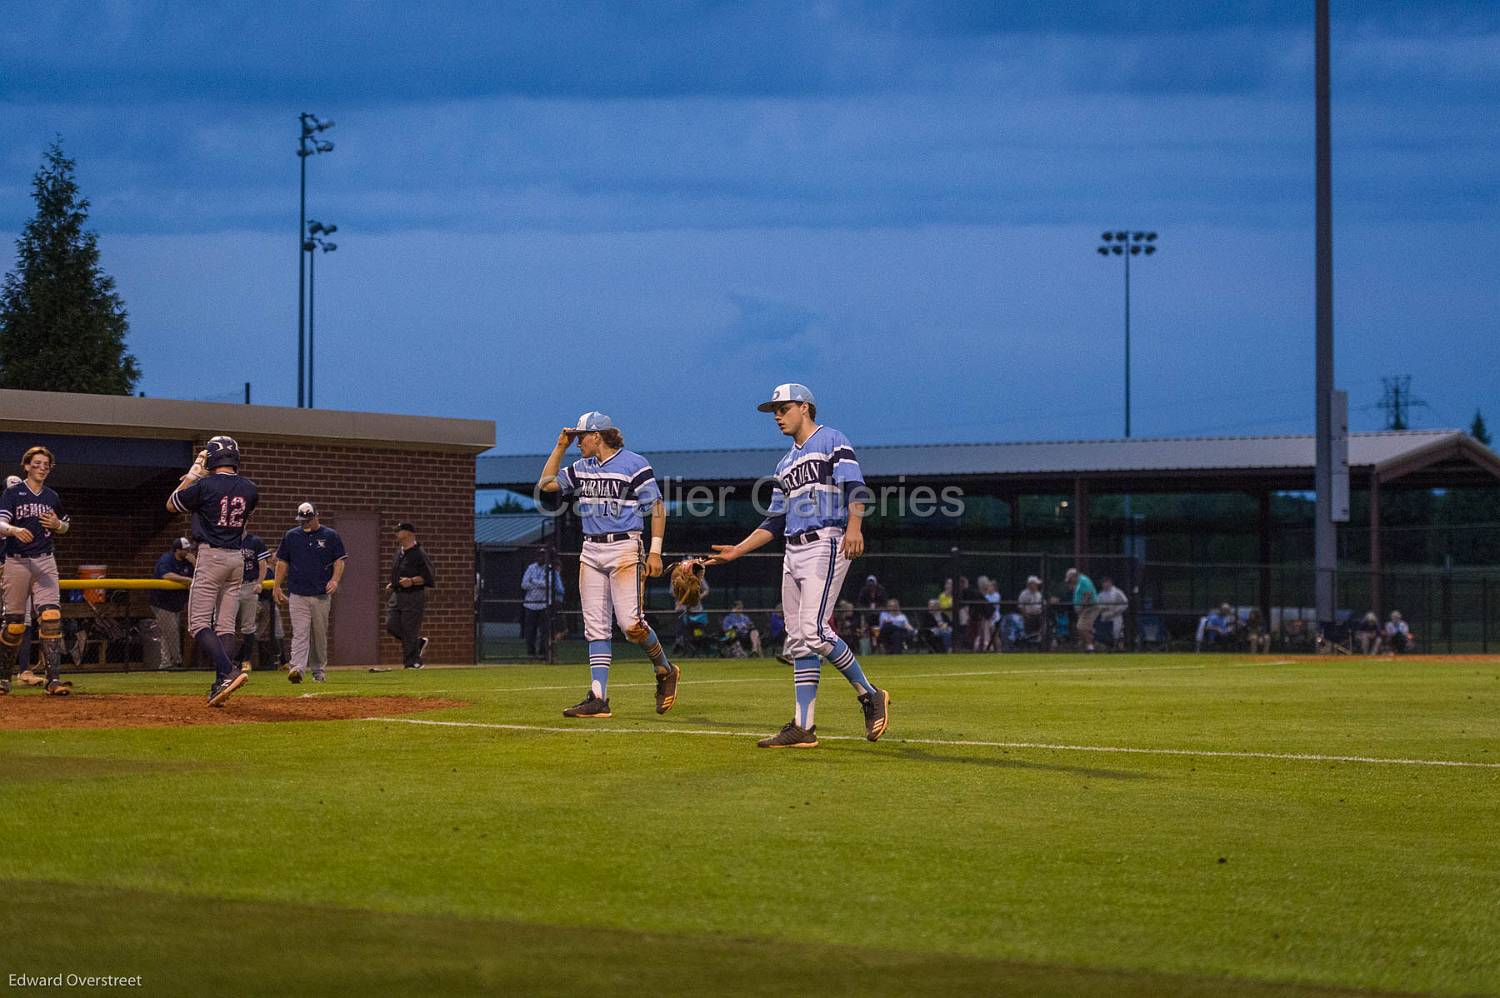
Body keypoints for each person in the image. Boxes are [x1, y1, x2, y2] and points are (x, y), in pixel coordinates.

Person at [706, 383, 889, 748]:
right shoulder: (784, 463)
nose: (776, 415)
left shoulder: (832, 439)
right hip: (792, 550)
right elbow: (775, 520)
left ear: (805, 407)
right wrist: (736, 551)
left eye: (783, 408)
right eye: (774, 410)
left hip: (826, 541)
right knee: (799, 641)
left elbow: (855, 487)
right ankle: (803, 727)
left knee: (814, 631)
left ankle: (870, 694)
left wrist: (855, 527)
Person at [537, 412, 678, 717]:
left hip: (626, 546)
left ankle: (665, 669)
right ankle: (598, 697)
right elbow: (546, 485)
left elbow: (656, 506)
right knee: (596, 627)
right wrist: (559, 446)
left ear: (596, 436)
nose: (578, 443)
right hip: (591, 549)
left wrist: (655, 551)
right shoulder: (581, 467)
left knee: (631, 625)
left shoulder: (634, 463)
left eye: (580, 437)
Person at [166, 436, 258, 707]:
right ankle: (221, 682)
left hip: (211, 556)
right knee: (226, 625)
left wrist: (193, 475)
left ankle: (228, 671)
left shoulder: (203, 485)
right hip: (236, 558)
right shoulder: (250, 488)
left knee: (198, 624)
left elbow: (171, 504)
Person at [0, 447, 73, 695]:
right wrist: (13, 530)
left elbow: (65, 525)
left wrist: (57, 524)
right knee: (14, 626)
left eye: (46, 465)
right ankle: (2, 678)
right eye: (37, 463)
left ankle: (53, 680)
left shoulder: (51, 496)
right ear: (27, 466)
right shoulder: (13, 493)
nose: (42, 467)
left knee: (51, 617)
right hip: (16, 561)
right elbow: (0, 523)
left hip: (44, 560)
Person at [274, 501, 347, 684]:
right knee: (300, 632)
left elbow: (339, 560)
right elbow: (282, 562)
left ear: (316, 516)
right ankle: (297, 668)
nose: (305, 523)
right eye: (302, 520)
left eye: (308, 519)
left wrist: (335, 580)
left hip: (321, 594)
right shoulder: (291, 536)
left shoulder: (330, 536)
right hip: (298, 593)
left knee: (319, 634)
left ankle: (318, 671)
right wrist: (276, 586)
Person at [385, 521, 436, 669]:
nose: (397, 533)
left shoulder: (419, 553)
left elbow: (429, 577)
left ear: (409, 533)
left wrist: (412, 581)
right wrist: (393, 583)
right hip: (398, 595)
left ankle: (413, 663)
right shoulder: (399, 553)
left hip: (413, 596)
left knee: (409, 629)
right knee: (392, 626)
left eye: (399, 530)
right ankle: (418, 643)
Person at [148, 537, 195, 671]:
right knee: (172, 631)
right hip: (162, 602)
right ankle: (177, 661)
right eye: (186, 550)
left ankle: (165, 664)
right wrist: (186, 580)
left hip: (176, 603)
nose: (188, 552)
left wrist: (195, 563)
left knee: (167, 633)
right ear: (177, 550)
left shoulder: (188, 562)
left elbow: (200, 576)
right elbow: (166, 575)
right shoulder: (167, 559)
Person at [234, 530, 271, 672]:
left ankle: (245, 660)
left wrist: (260, 582)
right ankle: (227, 660)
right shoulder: (226, 539)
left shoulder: (254, 541)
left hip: (249, 584)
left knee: (248, 625)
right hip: (232, 585)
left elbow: (263, 564)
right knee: (226, 624)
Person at [519, 549, 562, 659]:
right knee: (530, 631)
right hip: (530, 604)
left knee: (544, 631)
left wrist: (533, 582)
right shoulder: (531, 568)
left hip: (545, 604)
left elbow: (549, 584)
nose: (540, 558)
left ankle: (543, 653)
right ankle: (531, 653)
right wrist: (539, 584)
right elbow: (524, 584)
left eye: (543, 556)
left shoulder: (551, 570)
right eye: (539, 555)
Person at [1064, 567, 1099, 652]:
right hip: (1085, 608)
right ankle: (1089, 644)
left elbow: (1087, 594)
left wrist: (1082, 607)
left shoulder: (1084, 580)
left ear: (1074, 576)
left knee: (1081, 627)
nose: (1070, 582)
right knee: (1083, 628)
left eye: (1070, 579)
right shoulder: (1079, 582)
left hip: (1090, 607)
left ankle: (1091, 646)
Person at [1096, 577, 1129, 650]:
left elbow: (1125, 603)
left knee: (1116, 633)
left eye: (1106, 582)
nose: (1104, 585)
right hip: (1105, 616)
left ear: (1110, 583)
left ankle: (1118, 648)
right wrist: (1102, 609)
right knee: (1105, 634)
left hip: (1116, 616)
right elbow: (1096, 605)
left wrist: (1115, 611)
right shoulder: (1101, 594)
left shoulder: (1117, 592)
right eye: (1103, 583)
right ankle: (1107, 648)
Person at [1017, 575, 1046, 644]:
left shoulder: (1039, 594)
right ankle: (1029, 648)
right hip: (1029, 617)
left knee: (1040, 632)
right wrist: (1025, 615)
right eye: (1035, 584)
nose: (1037, 586)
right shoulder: (1024, 594)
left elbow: (1043, 604)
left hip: (1038, 616)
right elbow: (1021, 606)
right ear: (1030, 584)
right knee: (1029, 634)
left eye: (1037, 584)